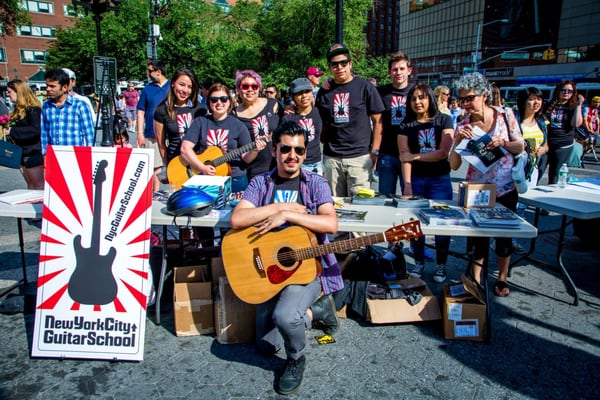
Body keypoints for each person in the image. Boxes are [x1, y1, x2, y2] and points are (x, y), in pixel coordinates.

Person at [229, 120, 341, 395]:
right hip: (269, 269)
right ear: (275, 151)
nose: (293, 156)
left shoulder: (315, 183)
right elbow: (237, 218)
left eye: (299, 150)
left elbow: (331, 224)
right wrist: (279, 206)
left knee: (285, 317)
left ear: (305, 153)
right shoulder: (261, 182)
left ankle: (296, 358)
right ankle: (318, 311)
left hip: (306, 268)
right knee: (266, 346)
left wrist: (290, 215)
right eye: (286, 149)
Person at [449, 72, 525, 297]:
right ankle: (476, 279)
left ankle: (502, 276)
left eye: (469, 98)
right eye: (462, 99)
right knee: (476, 237)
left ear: (484, 95)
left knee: (503, 237)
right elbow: (453, 165)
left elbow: (520, 146)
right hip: (477, 190)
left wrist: (504, 143)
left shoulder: (505, 115)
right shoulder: (463, 123)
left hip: (505, 188)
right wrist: (459, 140)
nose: (465, 104)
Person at [398, 83, 454, 283]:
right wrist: (407, 184)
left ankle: (441, 264)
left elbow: (442, 153)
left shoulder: (444, 120)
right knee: (416, 224)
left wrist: (415, 156)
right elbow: (404, 156)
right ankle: (419, 261)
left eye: (422, 97)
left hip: (440, 179)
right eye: (413, 99)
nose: (418, 102)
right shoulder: (406, 125)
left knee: (442, 223)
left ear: (430, 98)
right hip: (417, 180)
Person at [315, 43, 385, 197]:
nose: (339, 67)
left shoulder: (365, 87)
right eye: (334, 64)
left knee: (360, 207)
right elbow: (316, 119)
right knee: (334, 206)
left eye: (343, 63)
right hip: (332, 159)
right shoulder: (324, 91)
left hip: (359, 158)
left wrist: (374, 152)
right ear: (329, 67)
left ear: (350, 64)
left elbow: (378, 121)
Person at [180, 83, 263, 194]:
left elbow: (246, 158)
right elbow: (185, 148)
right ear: (209, 102)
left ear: (229, 101)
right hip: (205, 178)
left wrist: (255, 150)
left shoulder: (239, 125)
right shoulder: (200, 122)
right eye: (214, 99)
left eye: (223, 99)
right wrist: (201, 167)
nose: (219, 103)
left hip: (234, 178)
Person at [376, 51, 413, 197]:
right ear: (389, 72)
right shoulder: (381, 92)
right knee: (385, 197)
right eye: (395, 69)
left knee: (409, 197)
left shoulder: (416, 93)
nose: (398, 72)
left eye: (402, 69)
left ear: (409, 70)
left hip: (410, 153)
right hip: (387, 153)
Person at [233, 69, 281, 179]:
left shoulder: (273, 105)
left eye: (254, 86)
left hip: (276, 166)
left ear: (259, 88)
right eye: (245, 86)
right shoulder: (234, 114)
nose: (250, 89)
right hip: (250, 171)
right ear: (238, 89)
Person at [153, 68, 206, 167]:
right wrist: (168, 166)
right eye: (181, 85)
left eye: (189, 87)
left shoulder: (200, 109)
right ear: (173, 83)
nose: (185, 90)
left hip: (199, 163)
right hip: (176, 164)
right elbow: (161, 144)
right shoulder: (161, 110)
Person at [41, 69, 95, 157]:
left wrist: (89, 156)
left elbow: (89, 135)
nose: (48, 89)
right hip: (54, 158)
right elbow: (44, 133)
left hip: (76, 157)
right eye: (47, 86)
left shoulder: (79, 105)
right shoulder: (46, 106)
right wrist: (44, 154)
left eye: (52, 86)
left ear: (65, 87)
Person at [540, 80, 584, 184]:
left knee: (555, 175)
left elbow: (576, 124)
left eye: (570, 91)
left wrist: (579, 106)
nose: (566, 93)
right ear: (558, 91)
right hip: (547, 143)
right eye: (563, 90)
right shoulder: (549, 105)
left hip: (563, 145)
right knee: (538, 171)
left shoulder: (572, 107)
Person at [137, 60, 170, 190]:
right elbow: (140, 111)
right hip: (152, 134)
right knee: (154, 168)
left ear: (158, 71)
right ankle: (153, 195)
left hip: (170, 134)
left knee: (173, 167)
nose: (148, 73)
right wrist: (140, 133)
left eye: (150, 71)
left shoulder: (172, 86)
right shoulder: (147, 89)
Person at [5, 79, 44, 189]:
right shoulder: (17, 110)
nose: (8, 95)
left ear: (19, 91)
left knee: (38, 185)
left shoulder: (33, 110)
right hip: (21, 152)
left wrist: (12, 131)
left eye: (9, 92)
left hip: (33, 152)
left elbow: (35, 130)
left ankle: (38, 206)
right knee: (31, 185)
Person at [281, 78, 323, 174]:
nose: (304, 96)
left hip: (318, 163)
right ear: (293, 97)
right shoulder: (288, 118)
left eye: (307, 91)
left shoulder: (319, 111)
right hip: (299, 165)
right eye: (299, 93)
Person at [517, 87, 549, 185]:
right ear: (523, 101)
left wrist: (543, 149)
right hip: (516, 167)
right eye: (531, 99)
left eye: (539, 99)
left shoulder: (542, 122)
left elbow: (546, 144)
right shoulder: (515, 121)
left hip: (532, 168)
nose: (536, 102)